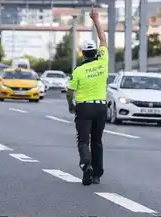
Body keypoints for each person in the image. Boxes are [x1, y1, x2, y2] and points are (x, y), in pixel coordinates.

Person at [66, 7, 108, 186]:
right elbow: (103, 39)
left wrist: (71, 106)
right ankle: (97, 174)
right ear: (95, 52)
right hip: (100, 107)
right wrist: (96, 19)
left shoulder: (79, 71)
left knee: (84, 140)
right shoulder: (103, 62)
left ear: (83, 53)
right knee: (97, 141)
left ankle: (87, 165)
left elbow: (69, 92)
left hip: (84, 107)